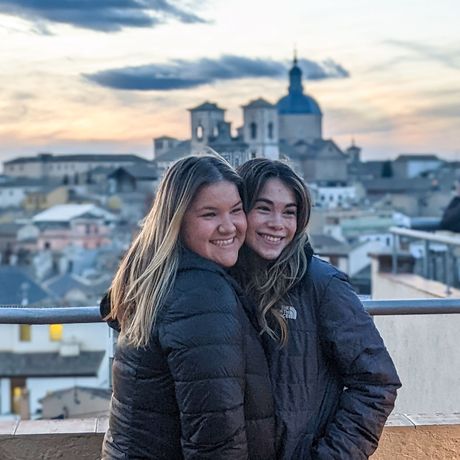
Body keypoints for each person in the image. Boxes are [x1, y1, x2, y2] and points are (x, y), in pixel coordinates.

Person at [101, 154, 276, 459]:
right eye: (210, 215)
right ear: (177, 222)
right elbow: (215, 437)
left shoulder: (156, 277)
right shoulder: (201, 295)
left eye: (236, 210)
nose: (229, 227)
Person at [234, 158, 401, 460]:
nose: (277, 223)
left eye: (289, 212)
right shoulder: (223, 282)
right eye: (263, 208)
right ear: (239, 211)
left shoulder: (322, 284)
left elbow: (377, 383)